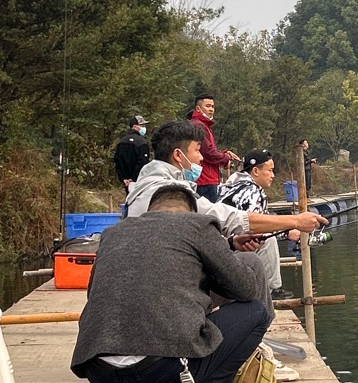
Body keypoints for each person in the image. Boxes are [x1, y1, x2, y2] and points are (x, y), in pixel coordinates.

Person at [70, 186, 270, 383]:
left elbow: (95, 296)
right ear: (190, 211)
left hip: (102, 378)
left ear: (151, 211)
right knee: (255, 312)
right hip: (162, 376)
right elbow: (246, 288)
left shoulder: (114, 232)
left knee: (125, 304)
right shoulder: (197, 225)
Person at [127, 120, 325, 257]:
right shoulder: (168, 191)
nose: (201, 158)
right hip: (165, 282)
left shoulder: (146, 183)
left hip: (161, 269)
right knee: (250, 266)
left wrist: (230, 243)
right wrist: (295, 221)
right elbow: (225, 217)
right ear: (178, 155)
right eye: (197, 150)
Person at [219, 151, 284, 294]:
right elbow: (256, 227)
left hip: (221, 246)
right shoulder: (251, 192)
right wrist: (289, 227)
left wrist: (286, 232)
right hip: (229, 251)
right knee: (268, 239)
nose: (273, 176)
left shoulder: (232, 185)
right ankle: (272, 291)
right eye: (270, 171)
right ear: (255, 171)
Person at [188, 95, 236, 201]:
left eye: (213, 107)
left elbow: (207, 149)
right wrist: (226, 158)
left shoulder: (202, 125)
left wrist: (224, 153)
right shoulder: (199, 126)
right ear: (198, 108)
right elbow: (208, 153)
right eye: (208, 106)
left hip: (204, 178)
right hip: (205, 179)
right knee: (210, 214)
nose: (211, 109)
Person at [112, 115, 149, 191]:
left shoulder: (121, 142)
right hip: (139, 182)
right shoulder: (141, 142)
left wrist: (123, 178)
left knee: (129, 199)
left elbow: (117, 161)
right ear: (135, 126)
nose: (144, 128)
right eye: (142, 125)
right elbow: (143, 162)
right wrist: (133, 179)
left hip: (126, 182)